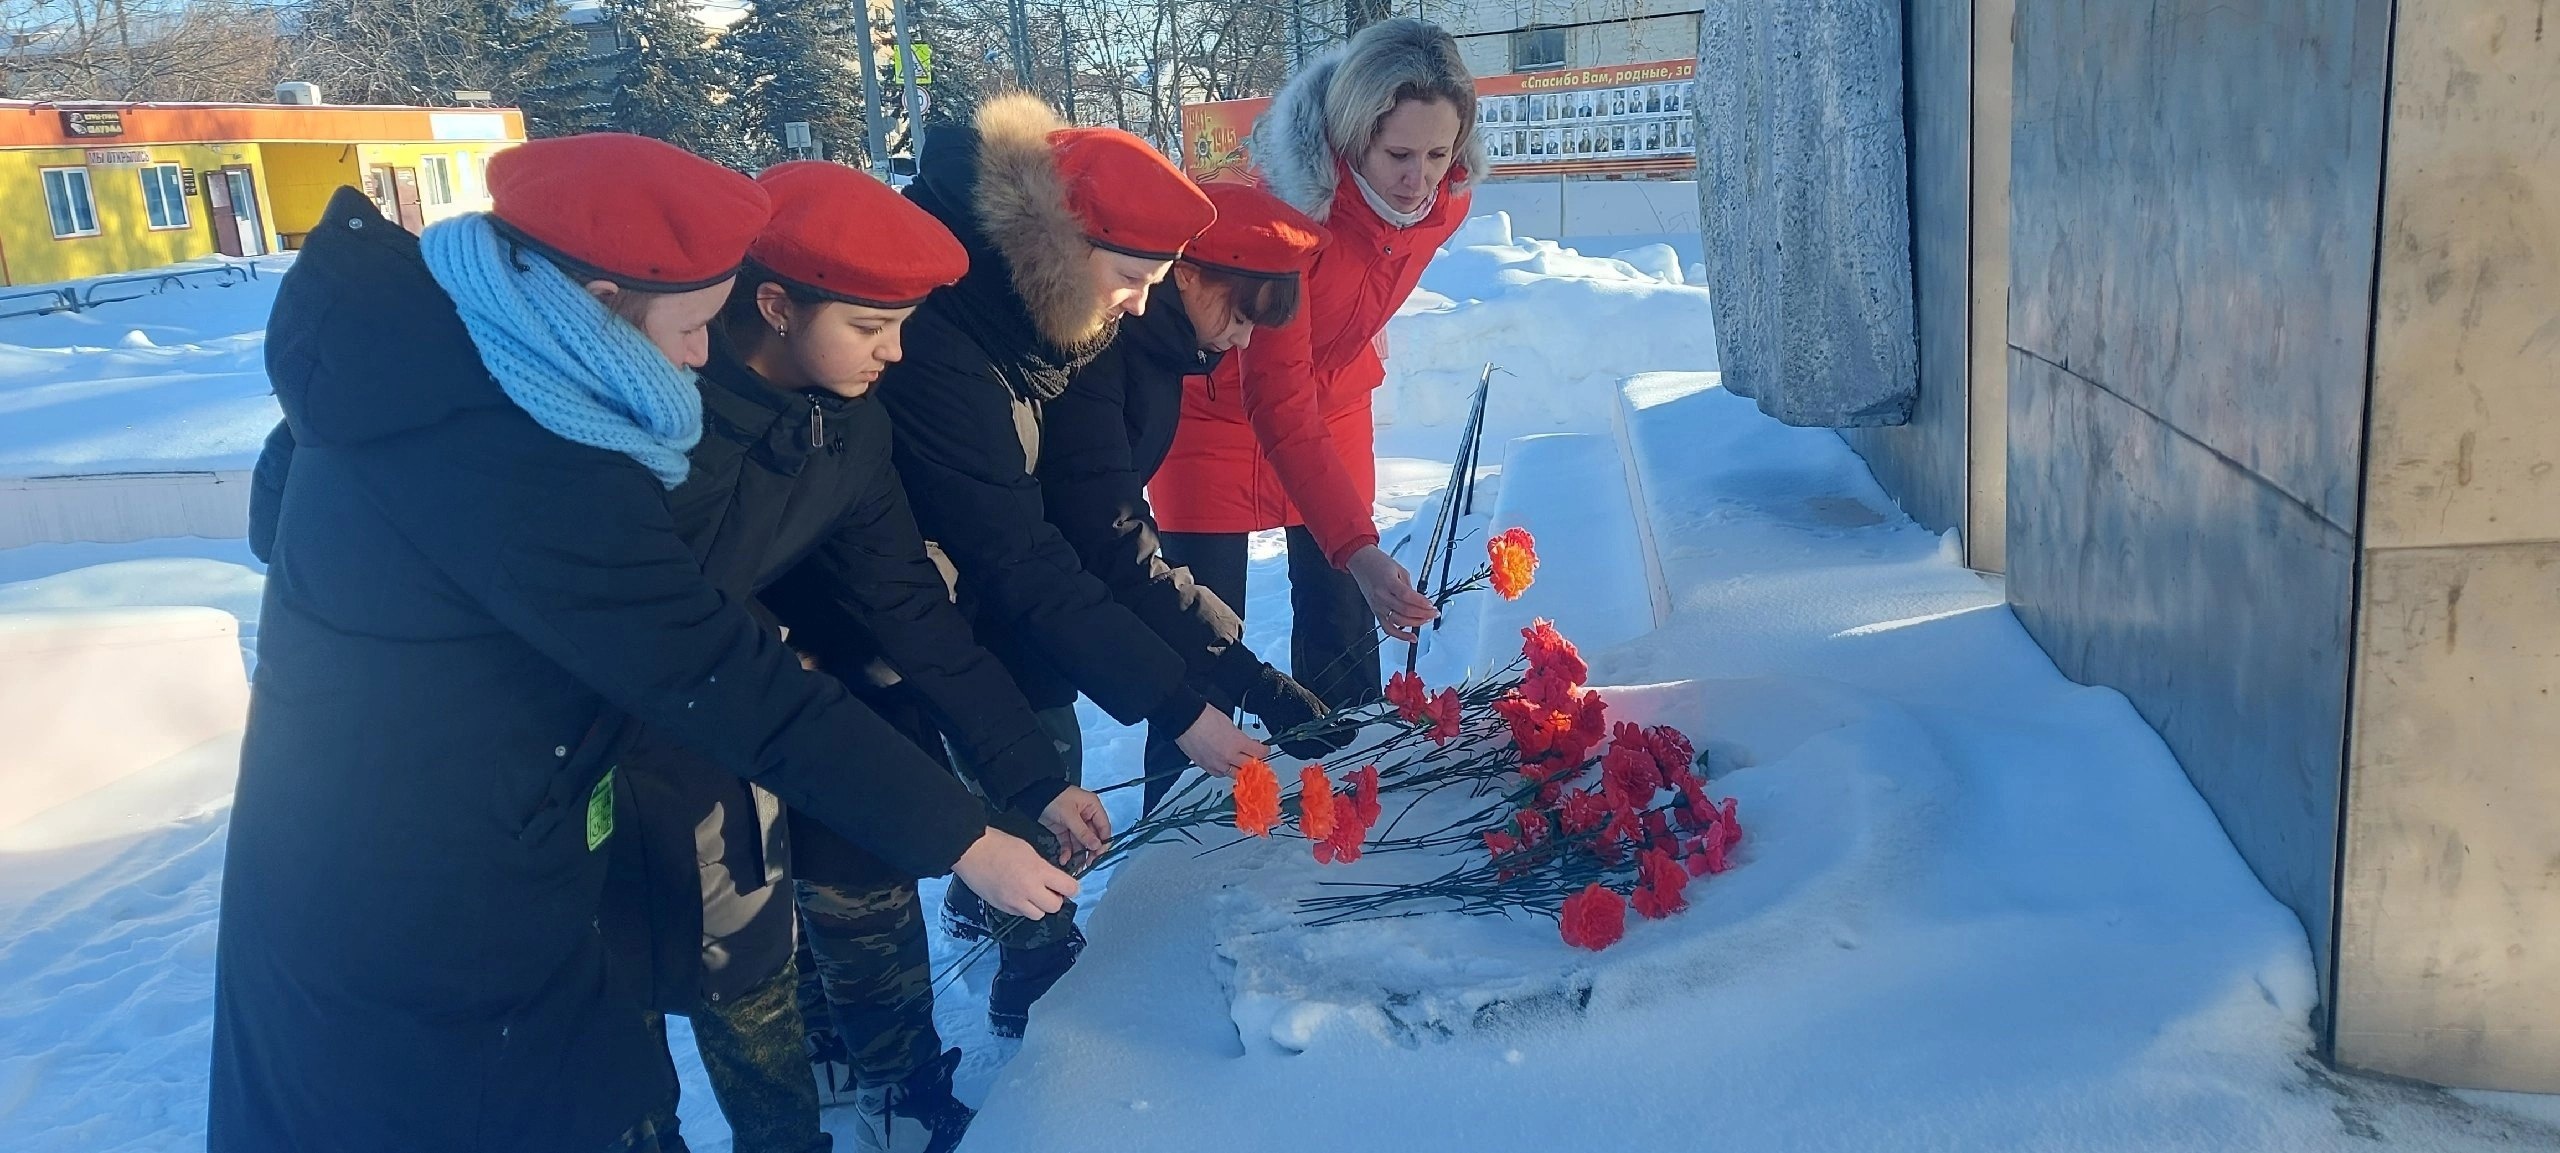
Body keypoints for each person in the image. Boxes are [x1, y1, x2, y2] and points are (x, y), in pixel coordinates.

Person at [215, 134, 1076, 1153]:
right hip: (430, 922)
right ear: (603, 295)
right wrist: (963, 836)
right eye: (692, 325)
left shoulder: (440, 362)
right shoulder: (519, 457)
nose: (699, 357)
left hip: (453, 856)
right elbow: (713, 666)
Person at [597, 160, 1108, 1153]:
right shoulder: (667, 414)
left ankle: (897, 1080)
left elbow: (908, 605)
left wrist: (1031, 779)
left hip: (811, 689)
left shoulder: (849, 419)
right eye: (873, 328)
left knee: (864, 860)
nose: (897, 352)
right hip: (654, 728)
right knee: (734, 950)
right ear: (778, 305)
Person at [1150, 17, 1486, 714]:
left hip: (1330, 400)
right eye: (1397, 153)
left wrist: (1354, 551)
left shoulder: (1445, 199)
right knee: (1198, 642)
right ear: (1353, 133)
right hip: (1215, 410)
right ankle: (1191, 808)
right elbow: (1274, 394)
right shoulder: (1290, 214)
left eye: (1437, 153)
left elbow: (1321, 369)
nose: (1416, 179)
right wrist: (1360, 546)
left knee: (1341, 620)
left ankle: (1341, 789)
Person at [1029, 180, 1344, 813]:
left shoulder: (1163, 353)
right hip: (1011, 590)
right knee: (1039, 791)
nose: (1244, 340)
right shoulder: (1106, 351)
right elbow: (1111, 533)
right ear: (1192, 276)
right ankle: (989, 913)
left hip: (1046, 590)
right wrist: (1244, 678)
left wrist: (1245, 678)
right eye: (1240, 313)